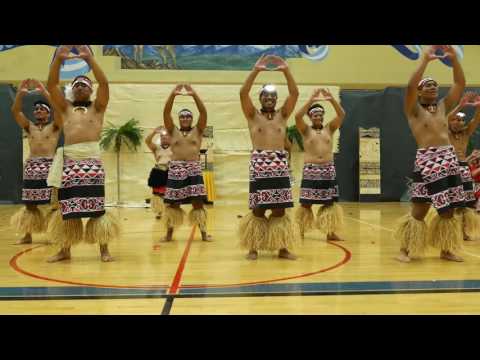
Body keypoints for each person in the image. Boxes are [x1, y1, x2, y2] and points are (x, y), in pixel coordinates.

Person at [46, 45, 120, 263]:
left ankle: (103, 249)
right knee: (67, 207)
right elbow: (51, 85)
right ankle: (65, 250)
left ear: (90, 90)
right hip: (70, 164)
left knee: (97, 207)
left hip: (91, 163)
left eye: (84, 85)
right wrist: (58, 60)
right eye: (76, 85)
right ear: (72, 90)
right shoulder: (65, 108)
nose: (80, 88)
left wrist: (90, 60)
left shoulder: (98, 108)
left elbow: (105, 83)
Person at [394, 45, 466, 263]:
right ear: (419, 91)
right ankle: (404, 250)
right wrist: (424, 60)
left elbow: (459, 84)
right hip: (427, 161)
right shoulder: (413, 110)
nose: (433, 87)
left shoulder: (444, 106)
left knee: (449, 209)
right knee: (420, 209)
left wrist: (454, 60)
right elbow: (409, 87)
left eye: (435, 85)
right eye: (427, 85)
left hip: (449, 160)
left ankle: (446, 249)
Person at [238, 54, 299, 260]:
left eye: (273, 96)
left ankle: (282, 248)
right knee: (258, 208)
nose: (270, 99)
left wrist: (286, 70)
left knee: (280, 210)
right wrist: (256, 69)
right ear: (261, 99)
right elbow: (243, 92)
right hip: (260, 164)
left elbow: (295, 93)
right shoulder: (253, 115)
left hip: (279, 165)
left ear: (276, 99)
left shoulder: (283, 115)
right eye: (266, 96)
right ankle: (253, 247)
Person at [9, 79, 61, 244]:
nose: (38, 111)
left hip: (50, 167)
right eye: (36, 109)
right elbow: (15, 111)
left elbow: (59, 109)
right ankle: (27, 235)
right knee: (30, 204)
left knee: (53, 204)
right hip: (32, 167)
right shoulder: (29, 127)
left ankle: (53, 234)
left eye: (42, 109)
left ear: (48, 113)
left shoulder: (54, 126)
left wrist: (44, 92)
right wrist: (20, 93)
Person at [162, 84, 212, 242]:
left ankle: (204, 233)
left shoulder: (198, 130)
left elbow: (203, 112)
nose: (185, 118)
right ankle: (169, 234)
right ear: (179, 119)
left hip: (193, 169)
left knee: (197, 203)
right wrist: (173, 95)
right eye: (182, 116)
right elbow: (166, 112)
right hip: (176, 169)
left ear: (191, 119)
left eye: (188, 116)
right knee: (173, 204)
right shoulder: (172, 131)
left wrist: (194, 95)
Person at [294, 88, 346, 240]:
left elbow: (342, 114)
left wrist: (331, 100)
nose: (318, 116)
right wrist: (311, 99)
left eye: (320, 114)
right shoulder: (305, 130)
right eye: (315, 114)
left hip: (328, 170)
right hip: (311, 170)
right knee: (306, 203)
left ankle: (330, 233)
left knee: (329, 203)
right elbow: (297, 116)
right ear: (310, 117)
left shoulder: (329, 128)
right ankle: (302, 230)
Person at [446, 92, 480, 240]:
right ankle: (449, 231)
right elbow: (445, 119)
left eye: (461, 120)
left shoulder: (466, 133)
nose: (458, 122)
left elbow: (477, 119)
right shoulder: (444, 133)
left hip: (464, 168)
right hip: (449, 168)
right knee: (452, 201)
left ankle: (464, 232)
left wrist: (479, 106)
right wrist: (460, 105)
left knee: (467, 202)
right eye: (455, 120)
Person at [145, 126, 172, 219]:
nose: (164, 138)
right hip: (158, 171)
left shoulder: (174, 148)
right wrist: (154, 132)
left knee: (168, 193)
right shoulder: (156, 148)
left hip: (170, 171)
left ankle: (169, 211)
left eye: (166, 136)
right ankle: (158, 211)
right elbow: (147, 141)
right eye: (162, 137)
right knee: (157, 194)